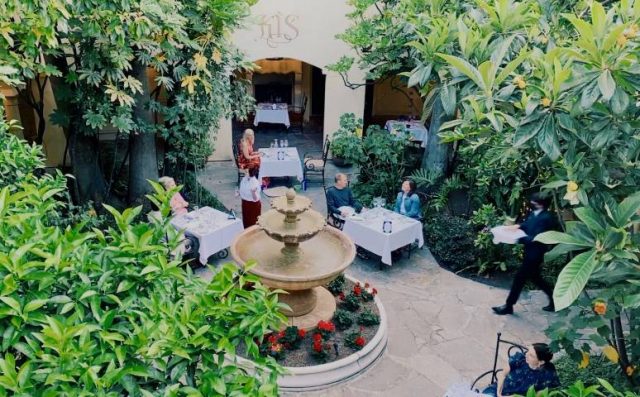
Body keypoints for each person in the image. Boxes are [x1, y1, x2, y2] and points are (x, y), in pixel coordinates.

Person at [492, 192, 557, 315]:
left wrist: (516, 239)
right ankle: (555, 300)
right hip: (529, 252)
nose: (531, 203)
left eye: (534, 202)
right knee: (537, 279)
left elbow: (536, 237)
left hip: (535, 255)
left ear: (540, 204)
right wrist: (517, 227)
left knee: (519, 279)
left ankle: (508, 306)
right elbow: (527, 225)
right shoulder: (534, 214)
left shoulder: (546, 218)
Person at [481, 343, 560, 396]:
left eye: (531, 355)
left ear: (541, 362)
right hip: (499, 390)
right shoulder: (520, 358)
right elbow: (502, 374)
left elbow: (539, 394)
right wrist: (499, 393)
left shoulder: (548, 373)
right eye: (528, 351)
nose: (526, 354)